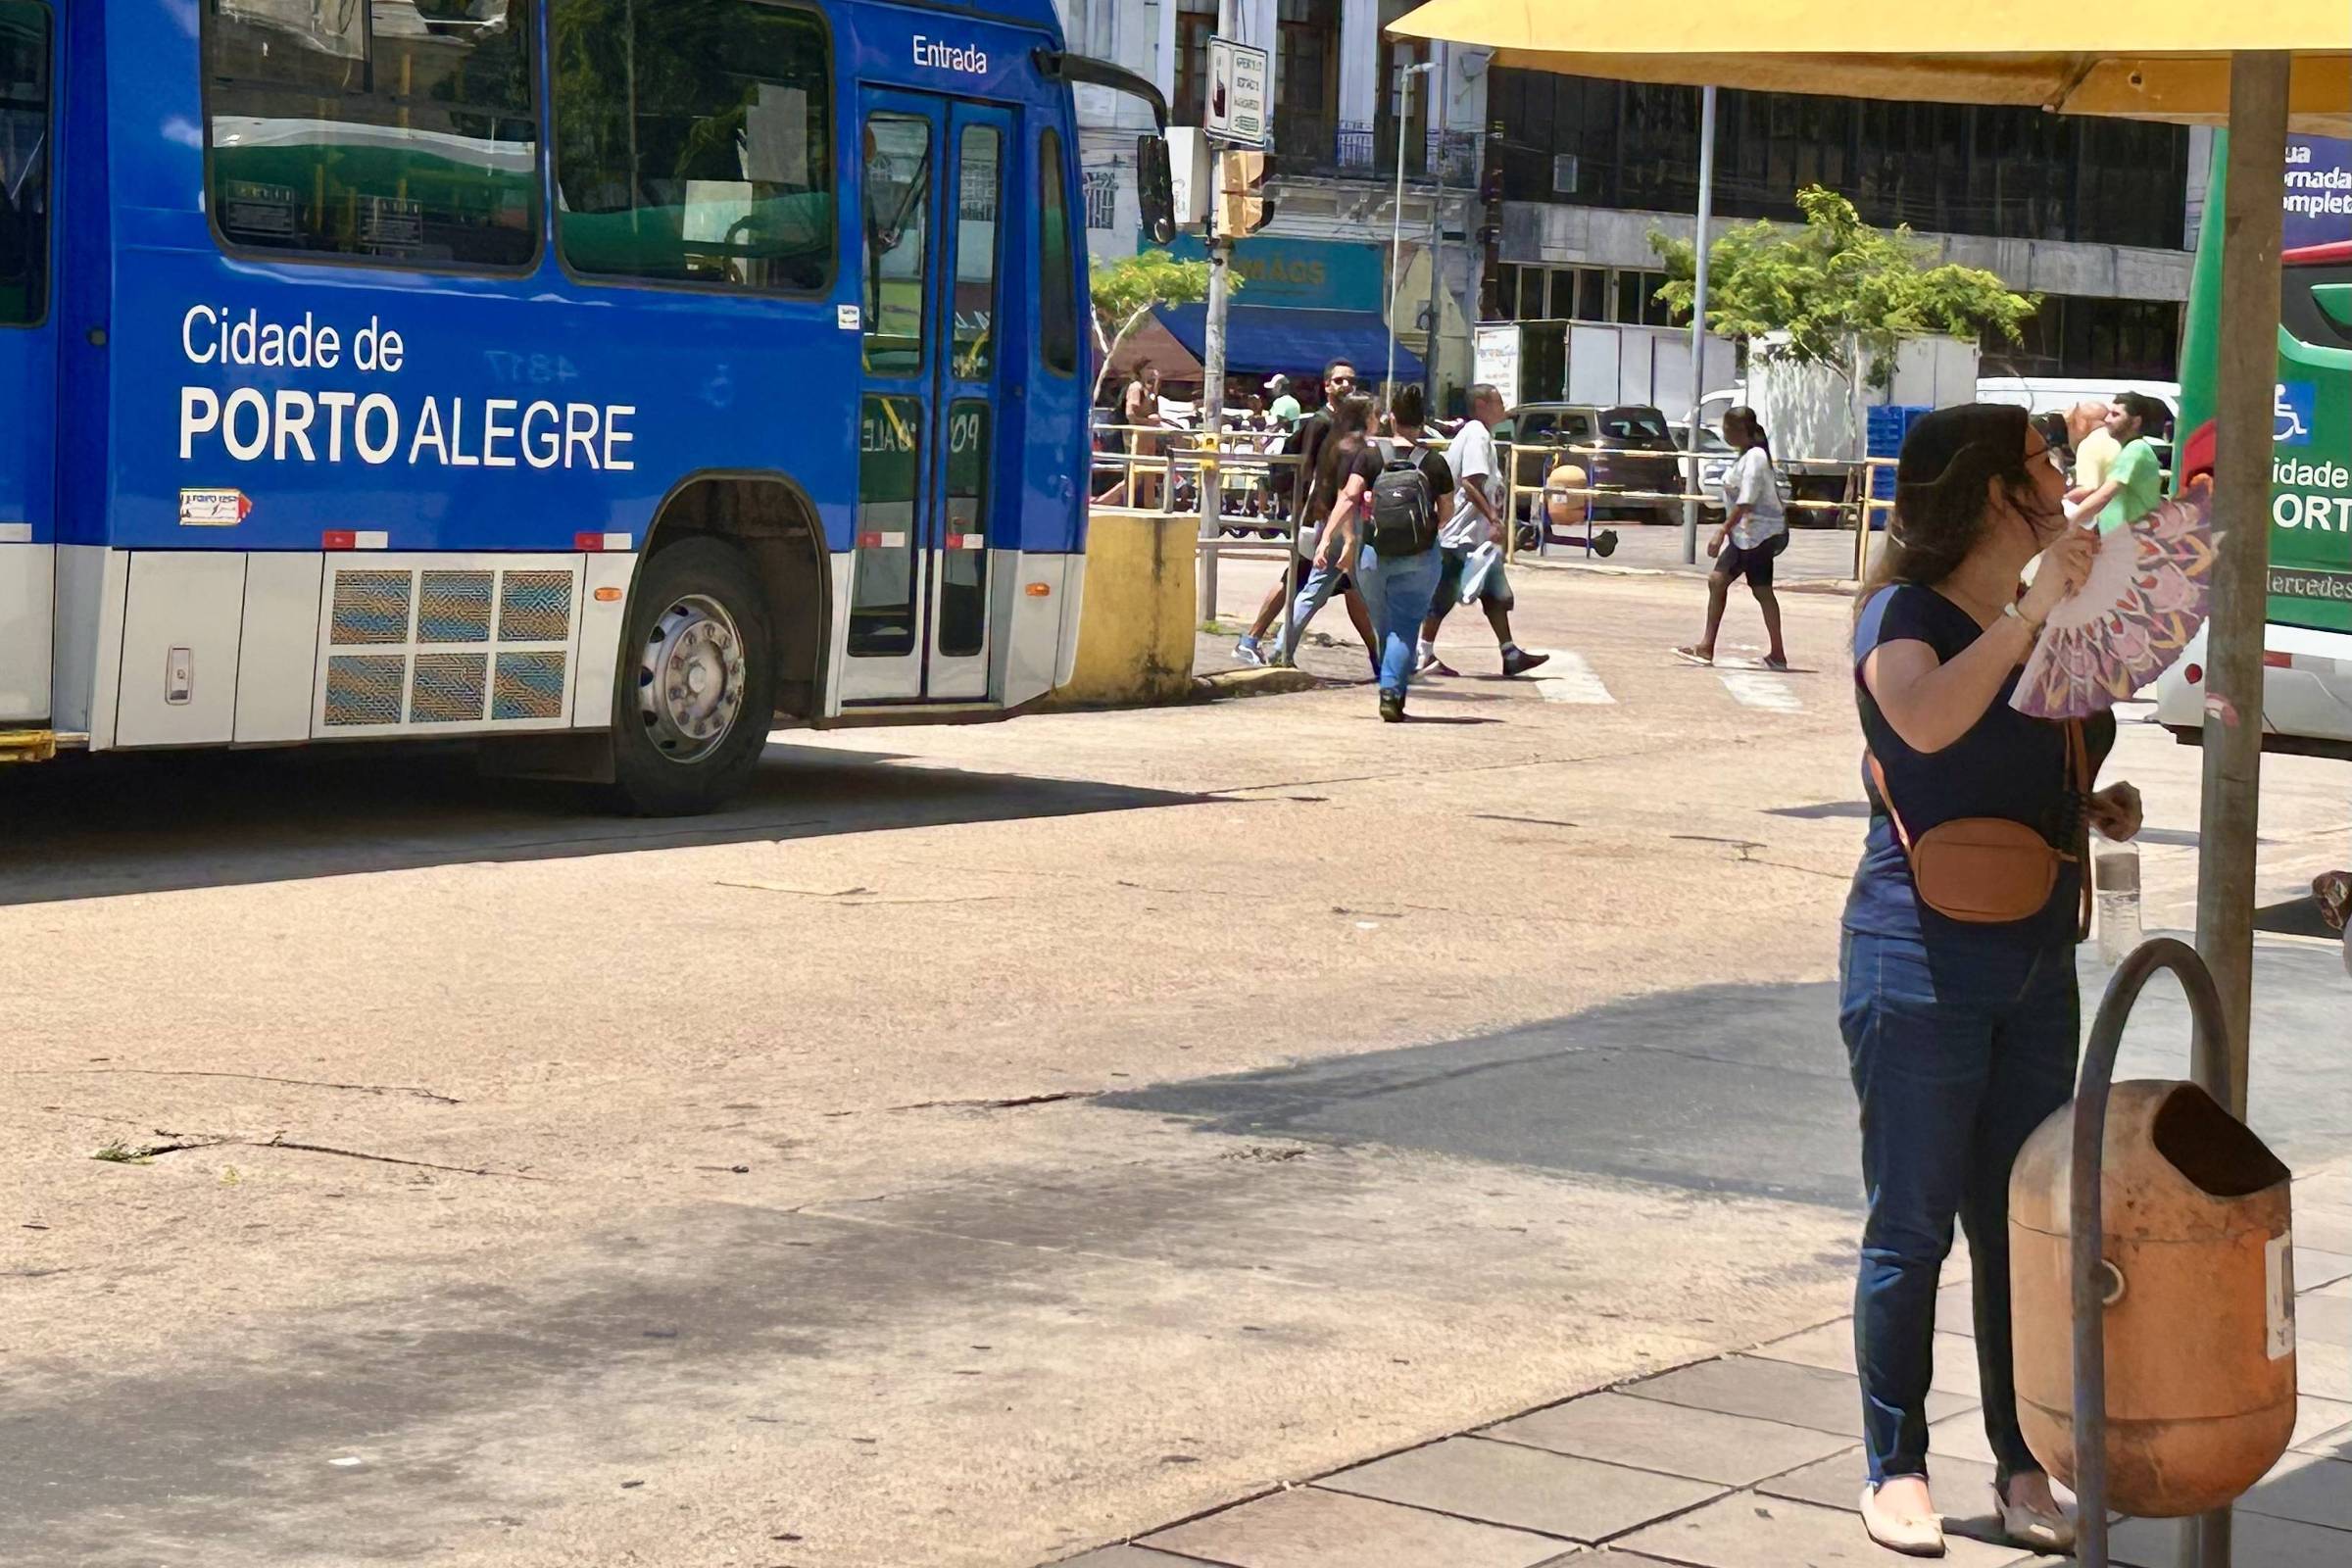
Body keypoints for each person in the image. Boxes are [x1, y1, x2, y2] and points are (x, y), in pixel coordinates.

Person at [1842, 403, 2143, 1559]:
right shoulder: (1902, 612)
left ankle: (2024, 1465)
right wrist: (2026, 612)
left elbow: (2036, 748)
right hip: (1915, 948)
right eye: (2044, 467)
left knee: (2021, 1225)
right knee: (1911, 1222)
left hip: (2034, 948)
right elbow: (1921, 722)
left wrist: (2088, 804)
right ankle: (1897, 1466)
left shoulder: (2048, 608)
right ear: (1986, 493)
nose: (2063, 482)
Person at [1237, 360, 1368, 666]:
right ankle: (1253, 639)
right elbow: (1306, 468)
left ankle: (1380, 658)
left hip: (1330, 517)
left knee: (1339, 584)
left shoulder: (1343, 422)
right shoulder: (1322, 422)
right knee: (1298, 580)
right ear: (1326, 386)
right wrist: (1305, 515)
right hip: (1316, 516)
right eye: (1338, 381)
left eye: (1350, 380)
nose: (1345, 386)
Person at [1415, 383, 1549, 679]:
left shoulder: (1478, 434)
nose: (1503, 407)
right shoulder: (1476, 434)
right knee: (1444, 594)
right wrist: (1493, 518)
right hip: (1461, 535)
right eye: (1498, 401)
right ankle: (1421, 654)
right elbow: (1470, 482)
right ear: (1481, 406)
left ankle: (1509, 652)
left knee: (1494, 594)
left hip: (1477, 539)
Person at [1267, 392, 1383, 677]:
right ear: (1366, 417)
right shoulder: (1365, 450)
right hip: (1348, 528)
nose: (1379, 421)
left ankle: (1282, 649)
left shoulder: (1335, 444)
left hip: (1326, 523)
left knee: (1314, 592)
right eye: (1376, 415)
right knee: (1375, 595)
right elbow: (1348, 495)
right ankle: (1392, 659)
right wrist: (1348, 537)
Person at [1354, 384, 1449, 721]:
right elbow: (1446, 512)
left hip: (1373, 554)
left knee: (1386, 627)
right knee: (1405, 625)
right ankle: (1391, 691)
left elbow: (1350, 496)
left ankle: (1391, 678)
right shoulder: (1434, 461)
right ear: (1422, 422)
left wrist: (1331, 540)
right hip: (1420, 556)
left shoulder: (1370, 456)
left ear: (1391, 418)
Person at [1675, 407, 1789, 670]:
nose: (1725, 434)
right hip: (1744, 536)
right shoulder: (1746, 456)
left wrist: (1721, 531)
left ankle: (1777, 653)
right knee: (1720, 581)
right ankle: (1707, 647)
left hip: (1760, 534)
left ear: (1740, 431)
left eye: (1727, 430)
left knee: (1760, 591)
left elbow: (1746, 502)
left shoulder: (1756, 458)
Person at [2069, 392, 2168, 534]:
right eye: (2108, 413)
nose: (2107, 420)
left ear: (2135, 422)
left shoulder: (2136, 449)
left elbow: (2105, 494)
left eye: (2115, 415)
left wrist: (2070, 521)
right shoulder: (2128, 449)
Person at [1122, 364, 1165, 511]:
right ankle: (1125, 504)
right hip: (1137, 434)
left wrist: (1157, 384)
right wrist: (1147, 421)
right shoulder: (1136, 387)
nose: (1153, 371)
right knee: (1135, 474)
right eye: (1149, 368)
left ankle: (1149, 505)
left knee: (1149, 472)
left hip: (1148, 435)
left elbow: (1153, 406)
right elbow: (1131, 414)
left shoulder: (1149, 390)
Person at [2064, 398, 2121, 496]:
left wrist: (2060, 499)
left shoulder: (2089, 444)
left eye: (2070, 425)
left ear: (2081, 423)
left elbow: (2088, 489)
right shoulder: (2117, 439)